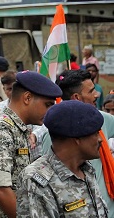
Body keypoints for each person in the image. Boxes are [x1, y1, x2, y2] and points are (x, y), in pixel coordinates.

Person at [0, 71, 61, 218]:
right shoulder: (0, 128)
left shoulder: (18, 128)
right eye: (47, 105)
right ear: (27, 98)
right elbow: (0, 187)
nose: (49, 111)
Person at [17, 100, 108, 218]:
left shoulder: (86, 169)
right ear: (77, 139)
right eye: (95, 134)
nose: (101, 139)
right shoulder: (37, 181)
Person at [50, 69, 114, 216]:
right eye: (91, 91)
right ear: (77, 97)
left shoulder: (101, 118)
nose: (97, 94)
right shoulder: (56, 132)